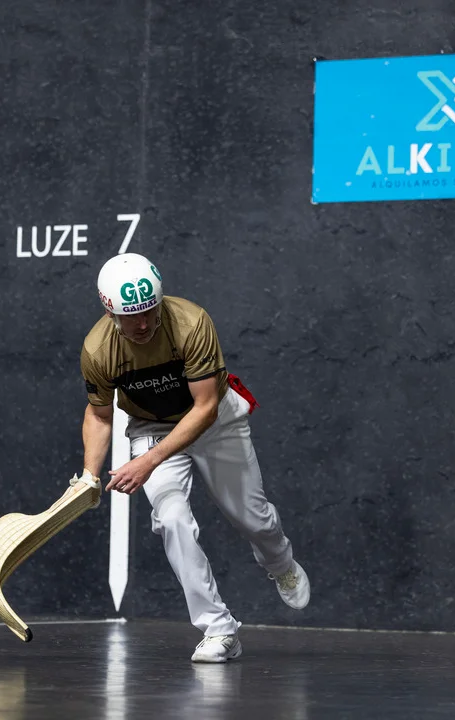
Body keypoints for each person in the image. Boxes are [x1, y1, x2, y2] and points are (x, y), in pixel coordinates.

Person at [73, 252, 310, 663]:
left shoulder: (191, 322)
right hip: (151, 426)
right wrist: (89, 477)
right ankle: (219, 629)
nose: (143, 323)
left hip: (215, 421)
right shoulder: (98, 350)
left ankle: (280, 561)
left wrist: (148, 461)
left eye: (149, 311)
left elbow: (205, 408)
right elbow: (99, 414)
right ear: (110, 313)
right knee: (172, 520)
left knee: (252, 518)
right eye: (131, 317)